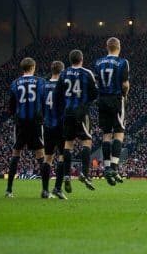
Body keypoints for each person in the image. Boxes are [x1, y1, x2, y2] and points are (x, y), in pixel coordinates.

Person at [55, 49, 98, 193]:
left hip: (67, 112)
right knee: (87, 141)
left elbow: (57, 94)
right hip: (81, 111)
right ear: (82, 59)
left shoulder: (63, 73)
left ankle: (67, 175)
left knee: (68, 144)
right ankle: (84, 173)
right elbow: (94, 93)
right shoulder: (87, 73)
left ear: (70, 59)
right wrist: (85, 103)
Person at [5, 57, 47, 198]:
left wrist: (15, 117)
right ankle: (45, 190)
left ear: (22, 68)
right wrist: (43, 117)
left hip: (21, 123)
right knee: (41, 155)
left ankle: (9, 190)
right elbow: (45, 101)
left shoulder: (15, 83)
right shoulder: (40, 82)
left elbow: (11, 105)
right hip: (36, 122)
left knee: (16, 153)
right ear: (33, 67)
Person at [94, 37, 130, 186]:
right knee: (119, 132)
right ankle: (114, 166)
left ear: (107, 47)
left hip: (102, 100)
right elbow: (125, 84)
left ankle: (107, 167)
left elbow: (96, 83)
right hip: (116, 98)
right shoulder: (123, 62)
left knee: (106, 135)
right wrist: (125, 96)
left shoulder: (97, 63)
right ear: (119, 47)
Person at [43, 60, 67, 199]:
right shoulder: (62, 86)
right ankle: (57, 188)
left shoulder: (44, 86)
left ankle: (45, 191)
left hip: (47, 125)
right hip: (61, 124)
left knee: (48, 158)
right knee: (62, 156)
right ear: (62, 71)